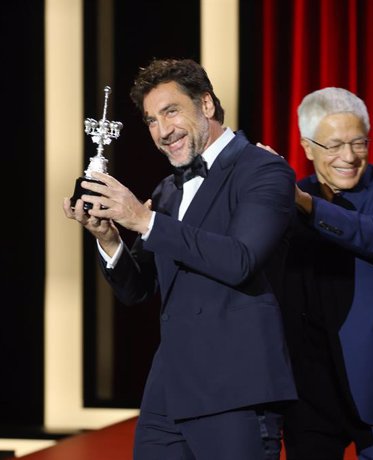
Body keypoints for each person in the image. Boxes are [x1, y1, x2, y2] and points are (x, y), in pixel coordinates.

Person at [62, 58, 297, 459]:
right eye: (152, 121)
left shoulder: (265, 171)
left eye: (171, 112)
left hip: (235, 392)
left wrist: (144, 219)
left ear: (206, 105)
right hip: (167, 395)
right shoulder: (168, 190)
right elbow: (138, 289)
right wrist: (109, 238)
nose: (162, 131)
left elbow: (240, 259)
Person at [272, 87, 373, 459]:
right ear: (307, 147)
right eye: (333, 146)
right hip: (308, 385)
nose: (349, 157)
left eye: (358, 143)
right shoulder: (285, 197)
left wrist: (307, 205)